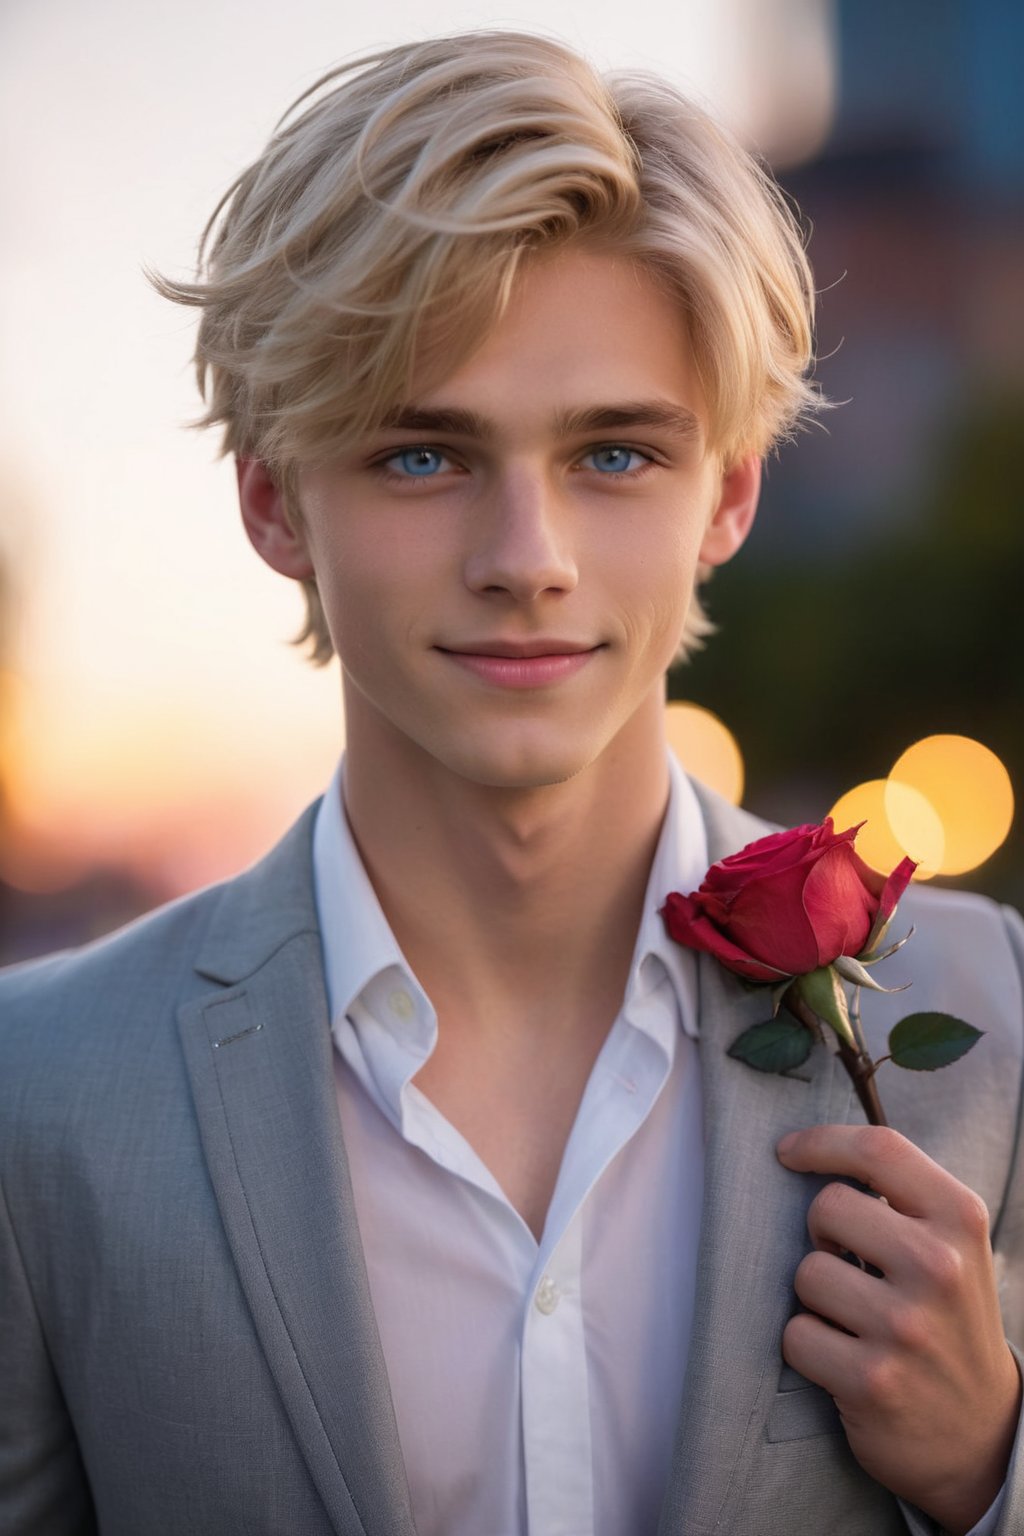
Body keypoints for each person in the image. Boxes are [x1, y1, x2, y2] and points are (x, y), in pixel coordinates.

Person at [1, 30, 1022, 1536]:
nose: (525, 561)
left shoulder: (995, 1018)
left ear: (729, 493)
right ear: (277, 503)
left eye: (615, 455)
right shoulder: (44, 1091)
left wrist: (991, 1467)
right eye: (424, 457)